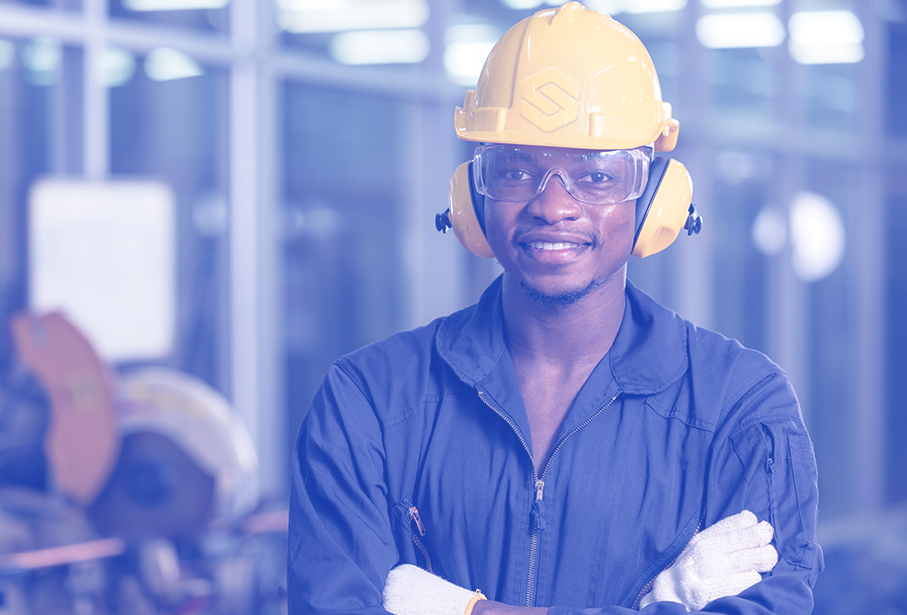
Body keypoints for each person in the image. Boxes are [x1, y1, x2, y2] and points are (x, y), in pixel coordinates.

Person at [288, 3, 823, 614]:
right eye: (516, 170)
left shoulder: (740, 408)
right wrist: (658, 605)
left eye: (595, 176)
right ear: (469, 194)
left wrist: (466, 610)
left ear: (656, 198)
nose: (552, 205)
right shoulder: (367, 401)